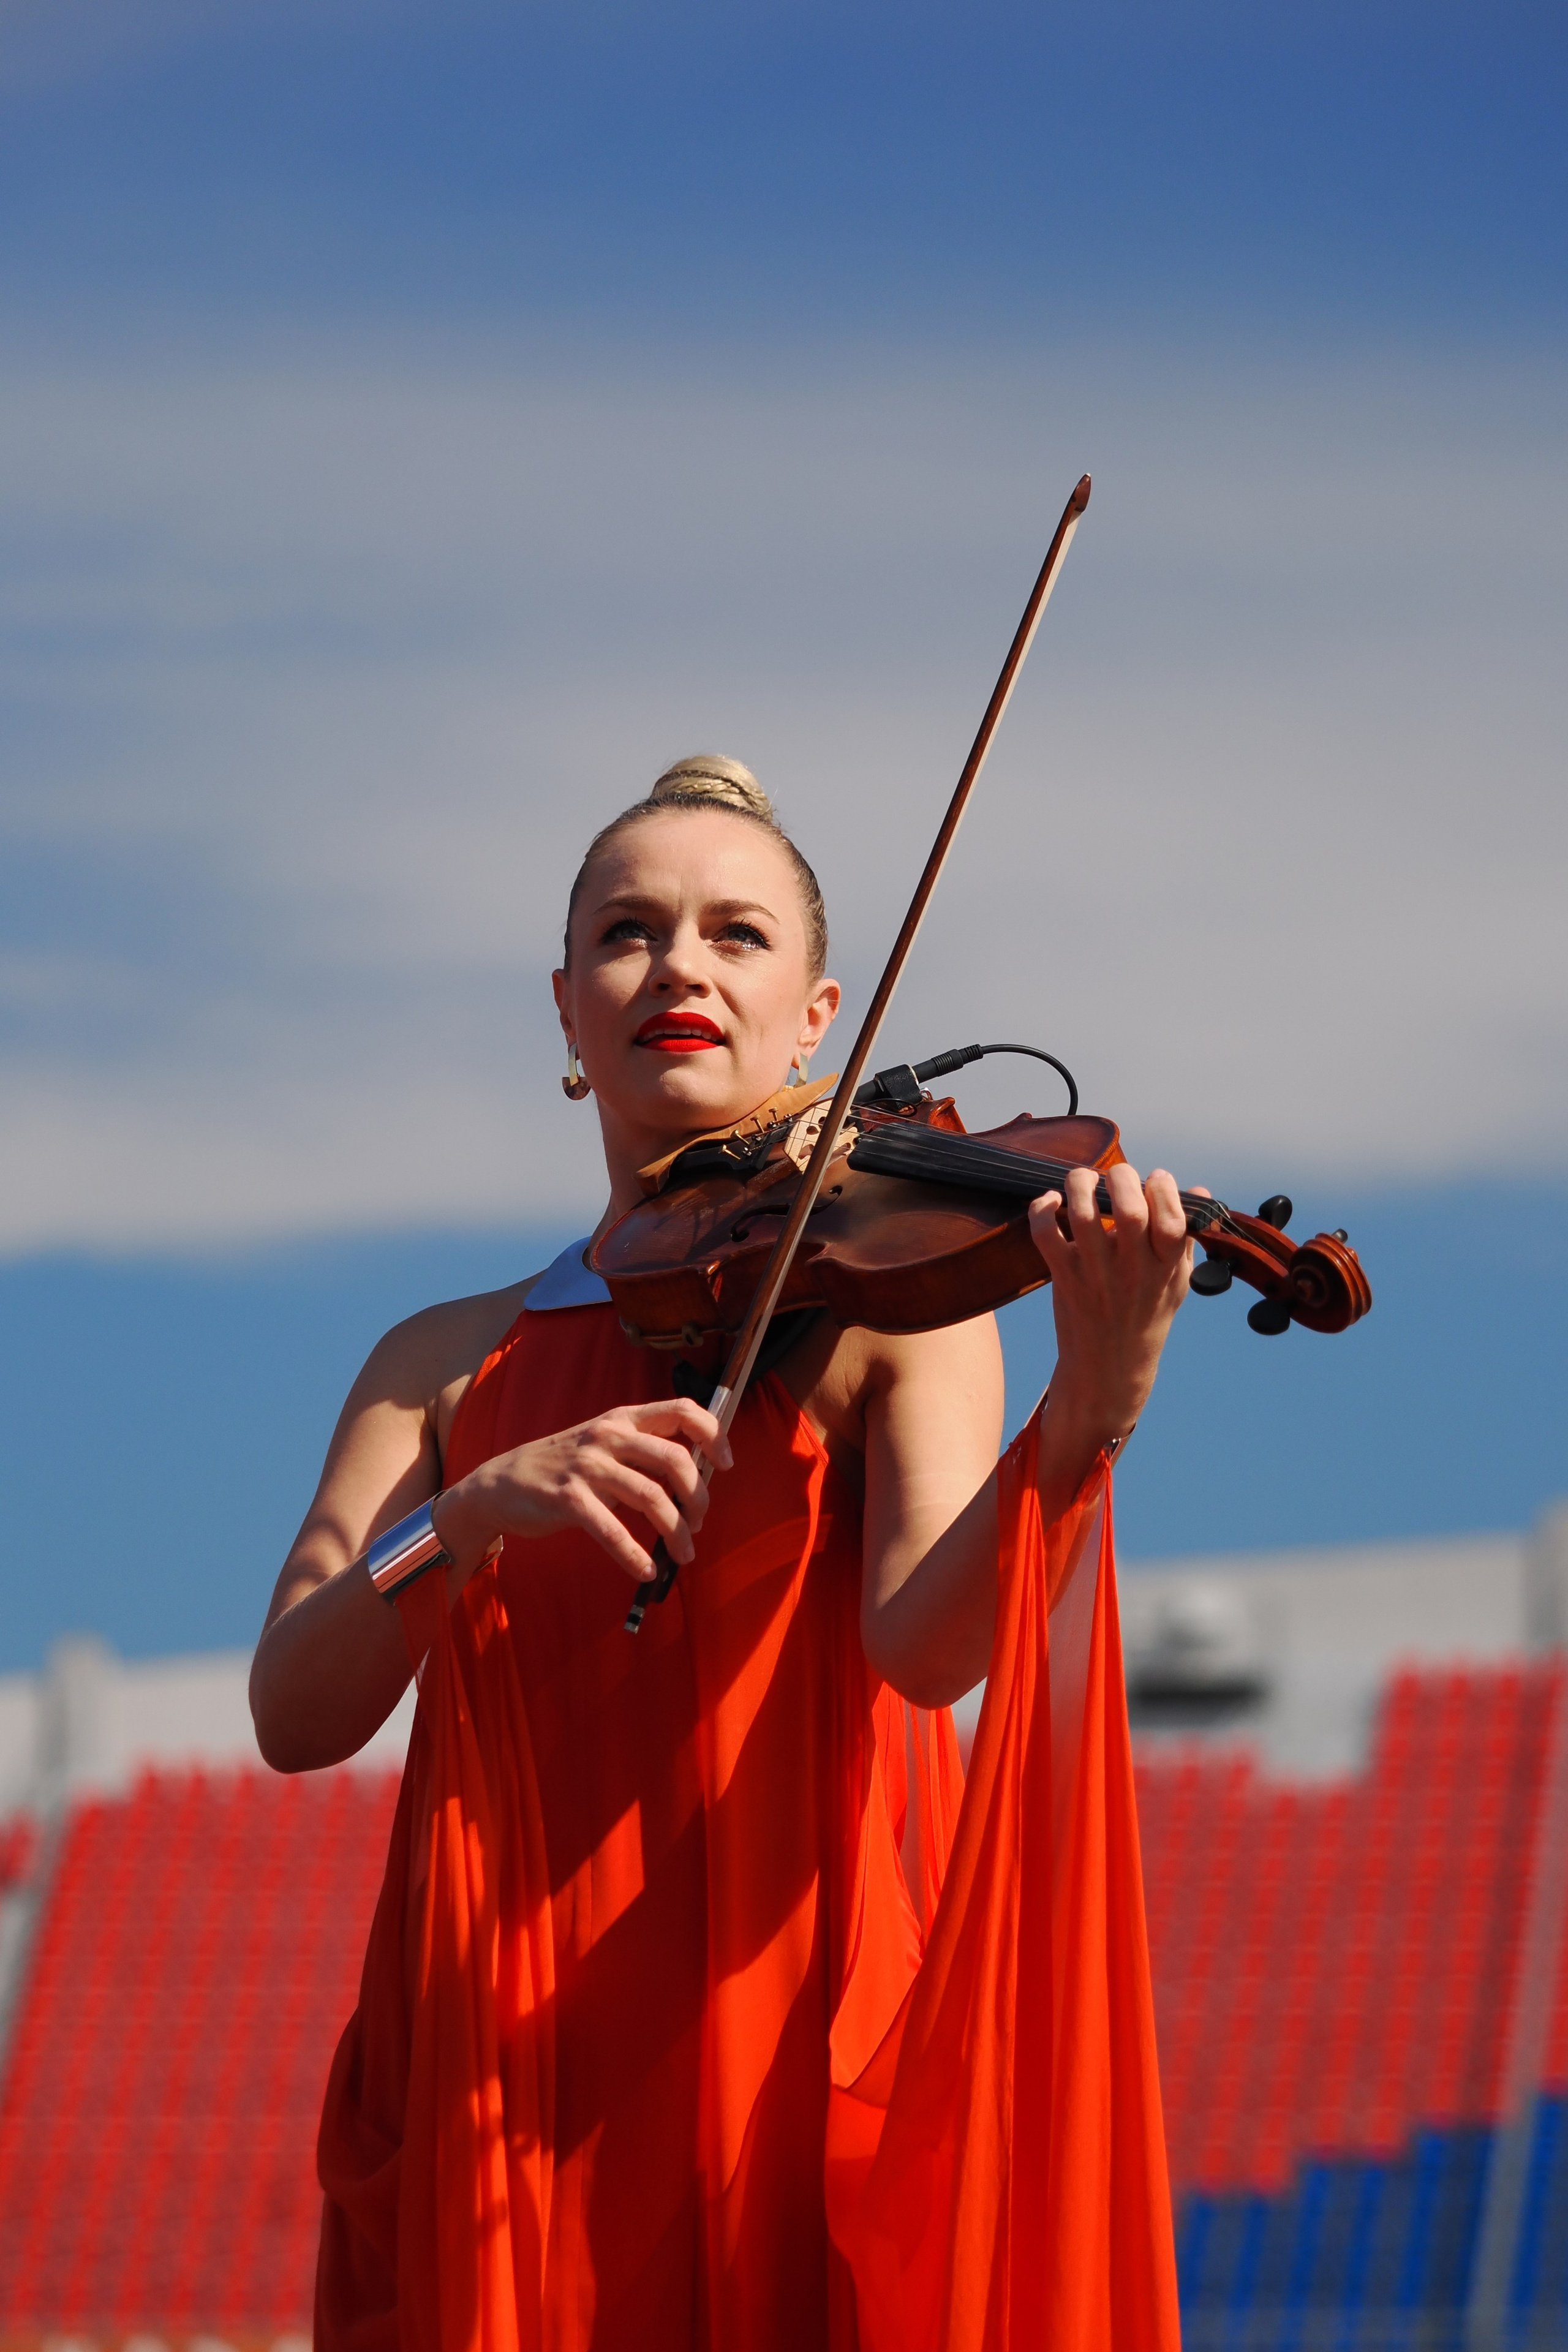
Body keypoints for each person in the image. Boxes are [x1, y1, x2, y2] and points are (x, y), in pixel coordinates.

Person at [251, 755, 1187, 2352]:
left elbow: (927, 1650)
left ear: (818, 1014)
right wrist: (462, 1522)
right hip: (501, 2065)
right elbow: (295, 1707)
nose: (678, 964)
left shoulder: (889, 1318)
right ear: (566, 1005)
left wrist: (1087, 1412)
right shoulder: (443, 1359)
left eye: (733, 934)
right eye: (630, 931)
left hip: (784, 2032)